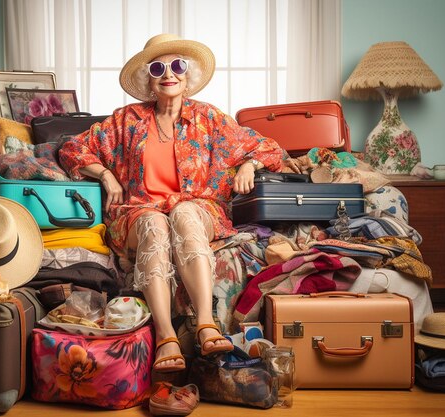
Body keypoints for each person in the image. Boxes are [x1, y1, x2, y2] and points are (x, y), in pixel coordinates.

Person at [59, 33, 284, 373]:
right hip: (139, 210)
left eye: (178, 65)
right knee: (154, 223)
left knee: (183, 213)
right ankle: (166, 336)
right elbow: (72, 149)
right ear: (148, 78)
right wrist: (106, 175)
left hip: (198, 207)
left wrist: (249, 165)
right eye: (158, 67)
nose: (169, 73)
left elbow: (268, 147)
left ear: (188, 75)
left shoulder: (210, 119)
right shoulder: (126, 120)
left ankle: (206, 324)